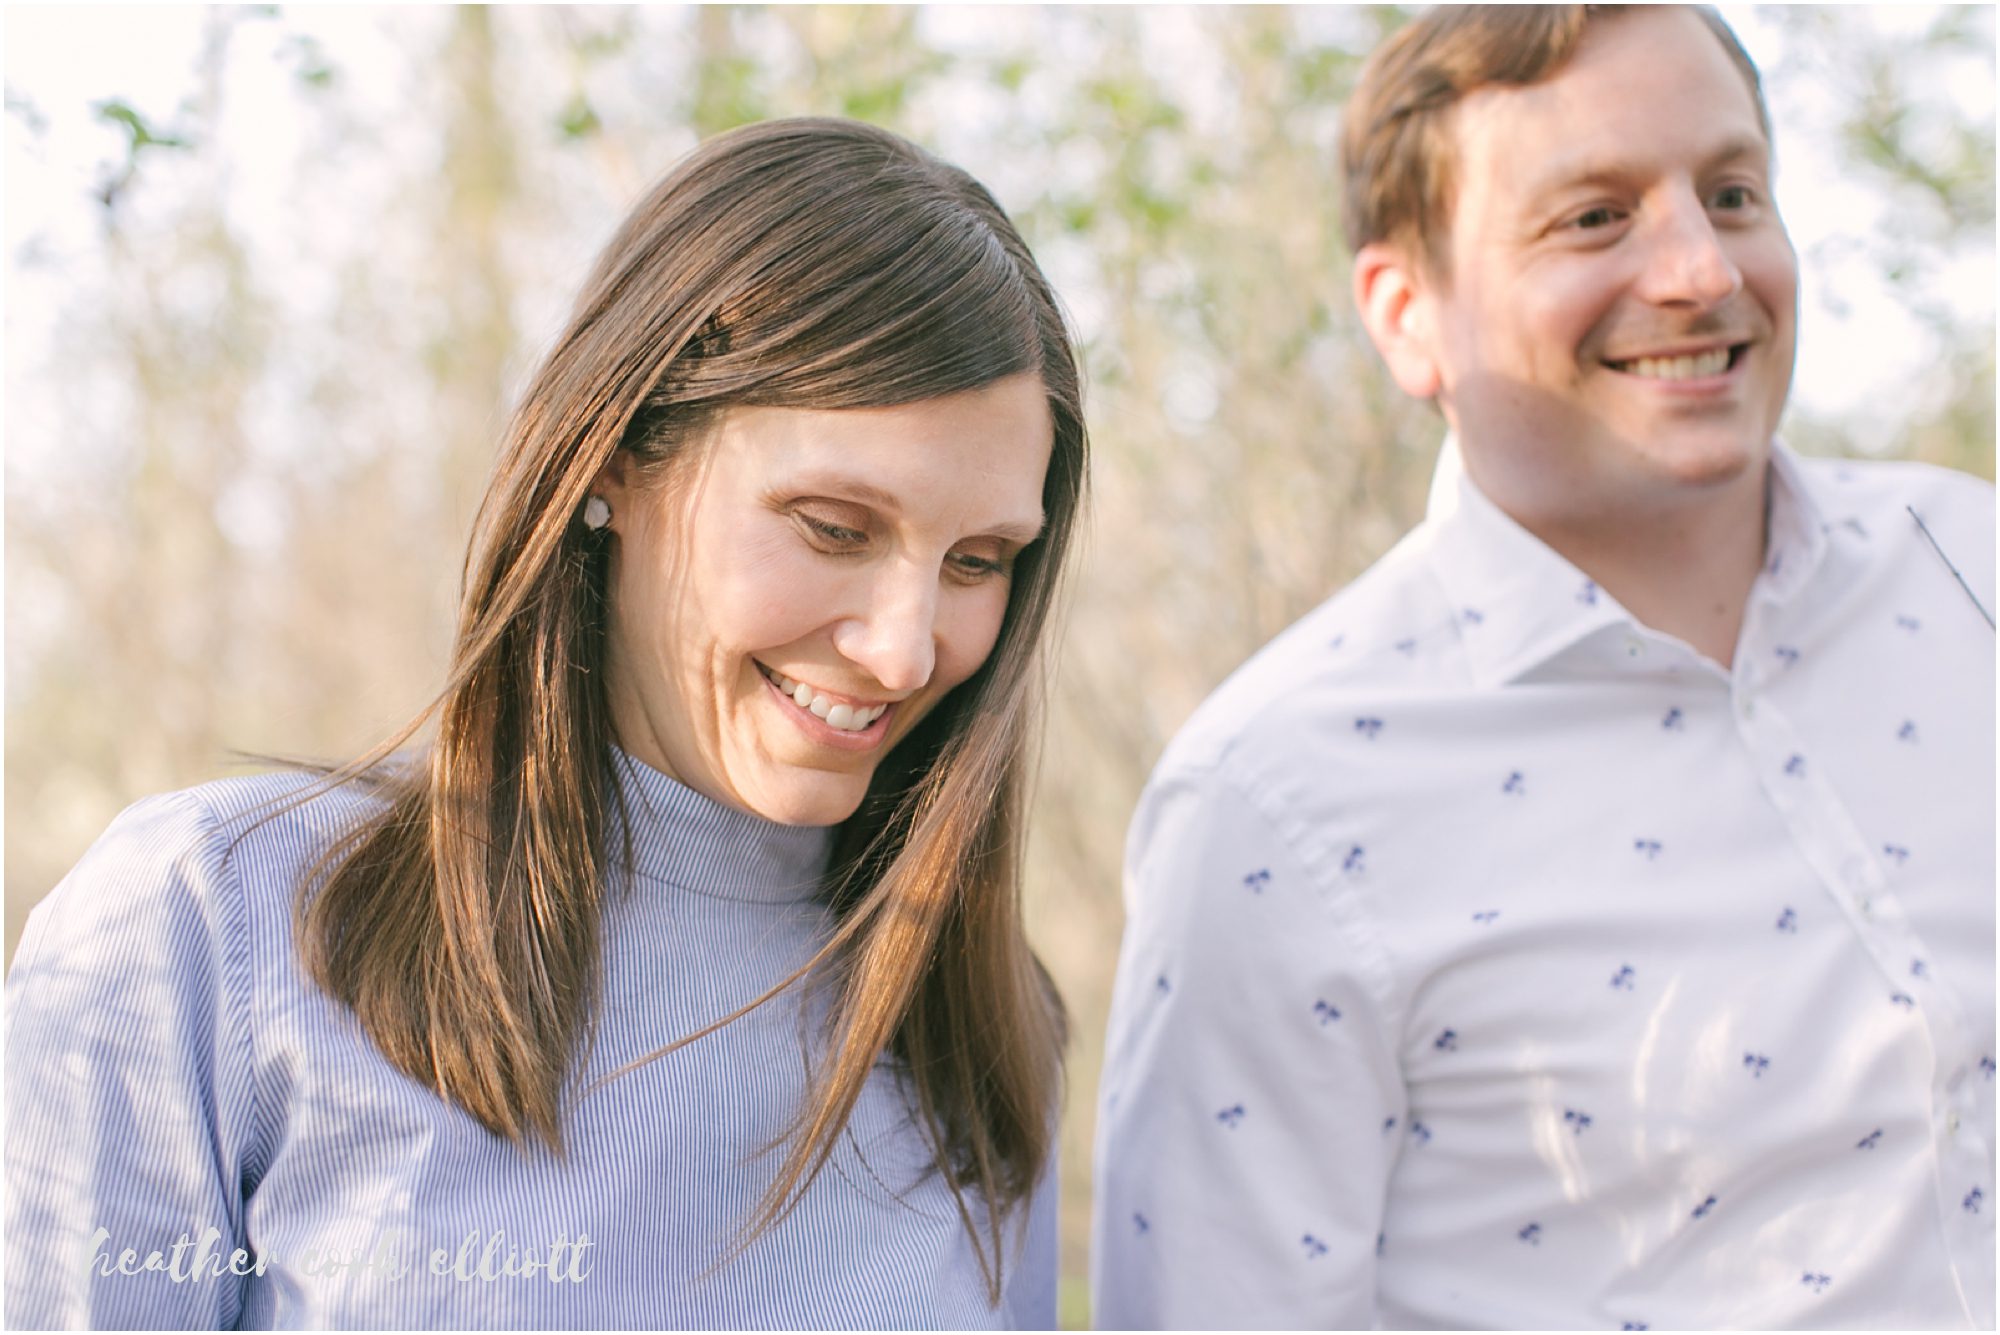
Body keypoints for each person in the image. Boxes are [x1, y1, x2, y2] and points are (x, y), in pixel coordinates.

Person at [7, 117, 1085, 1329]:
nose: (903, 647)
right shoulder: (211, 926)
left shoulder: (979, 1040)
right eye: (834, 529)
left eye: (977, 561)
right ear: (611, 462)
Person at [1092, 5, 1993, 1328]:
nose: (1699, 268)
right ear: (1408, 316)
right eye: (1594, 217)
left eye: (1731, 194)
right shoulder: (1273, 808)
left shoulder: (1967, 561)